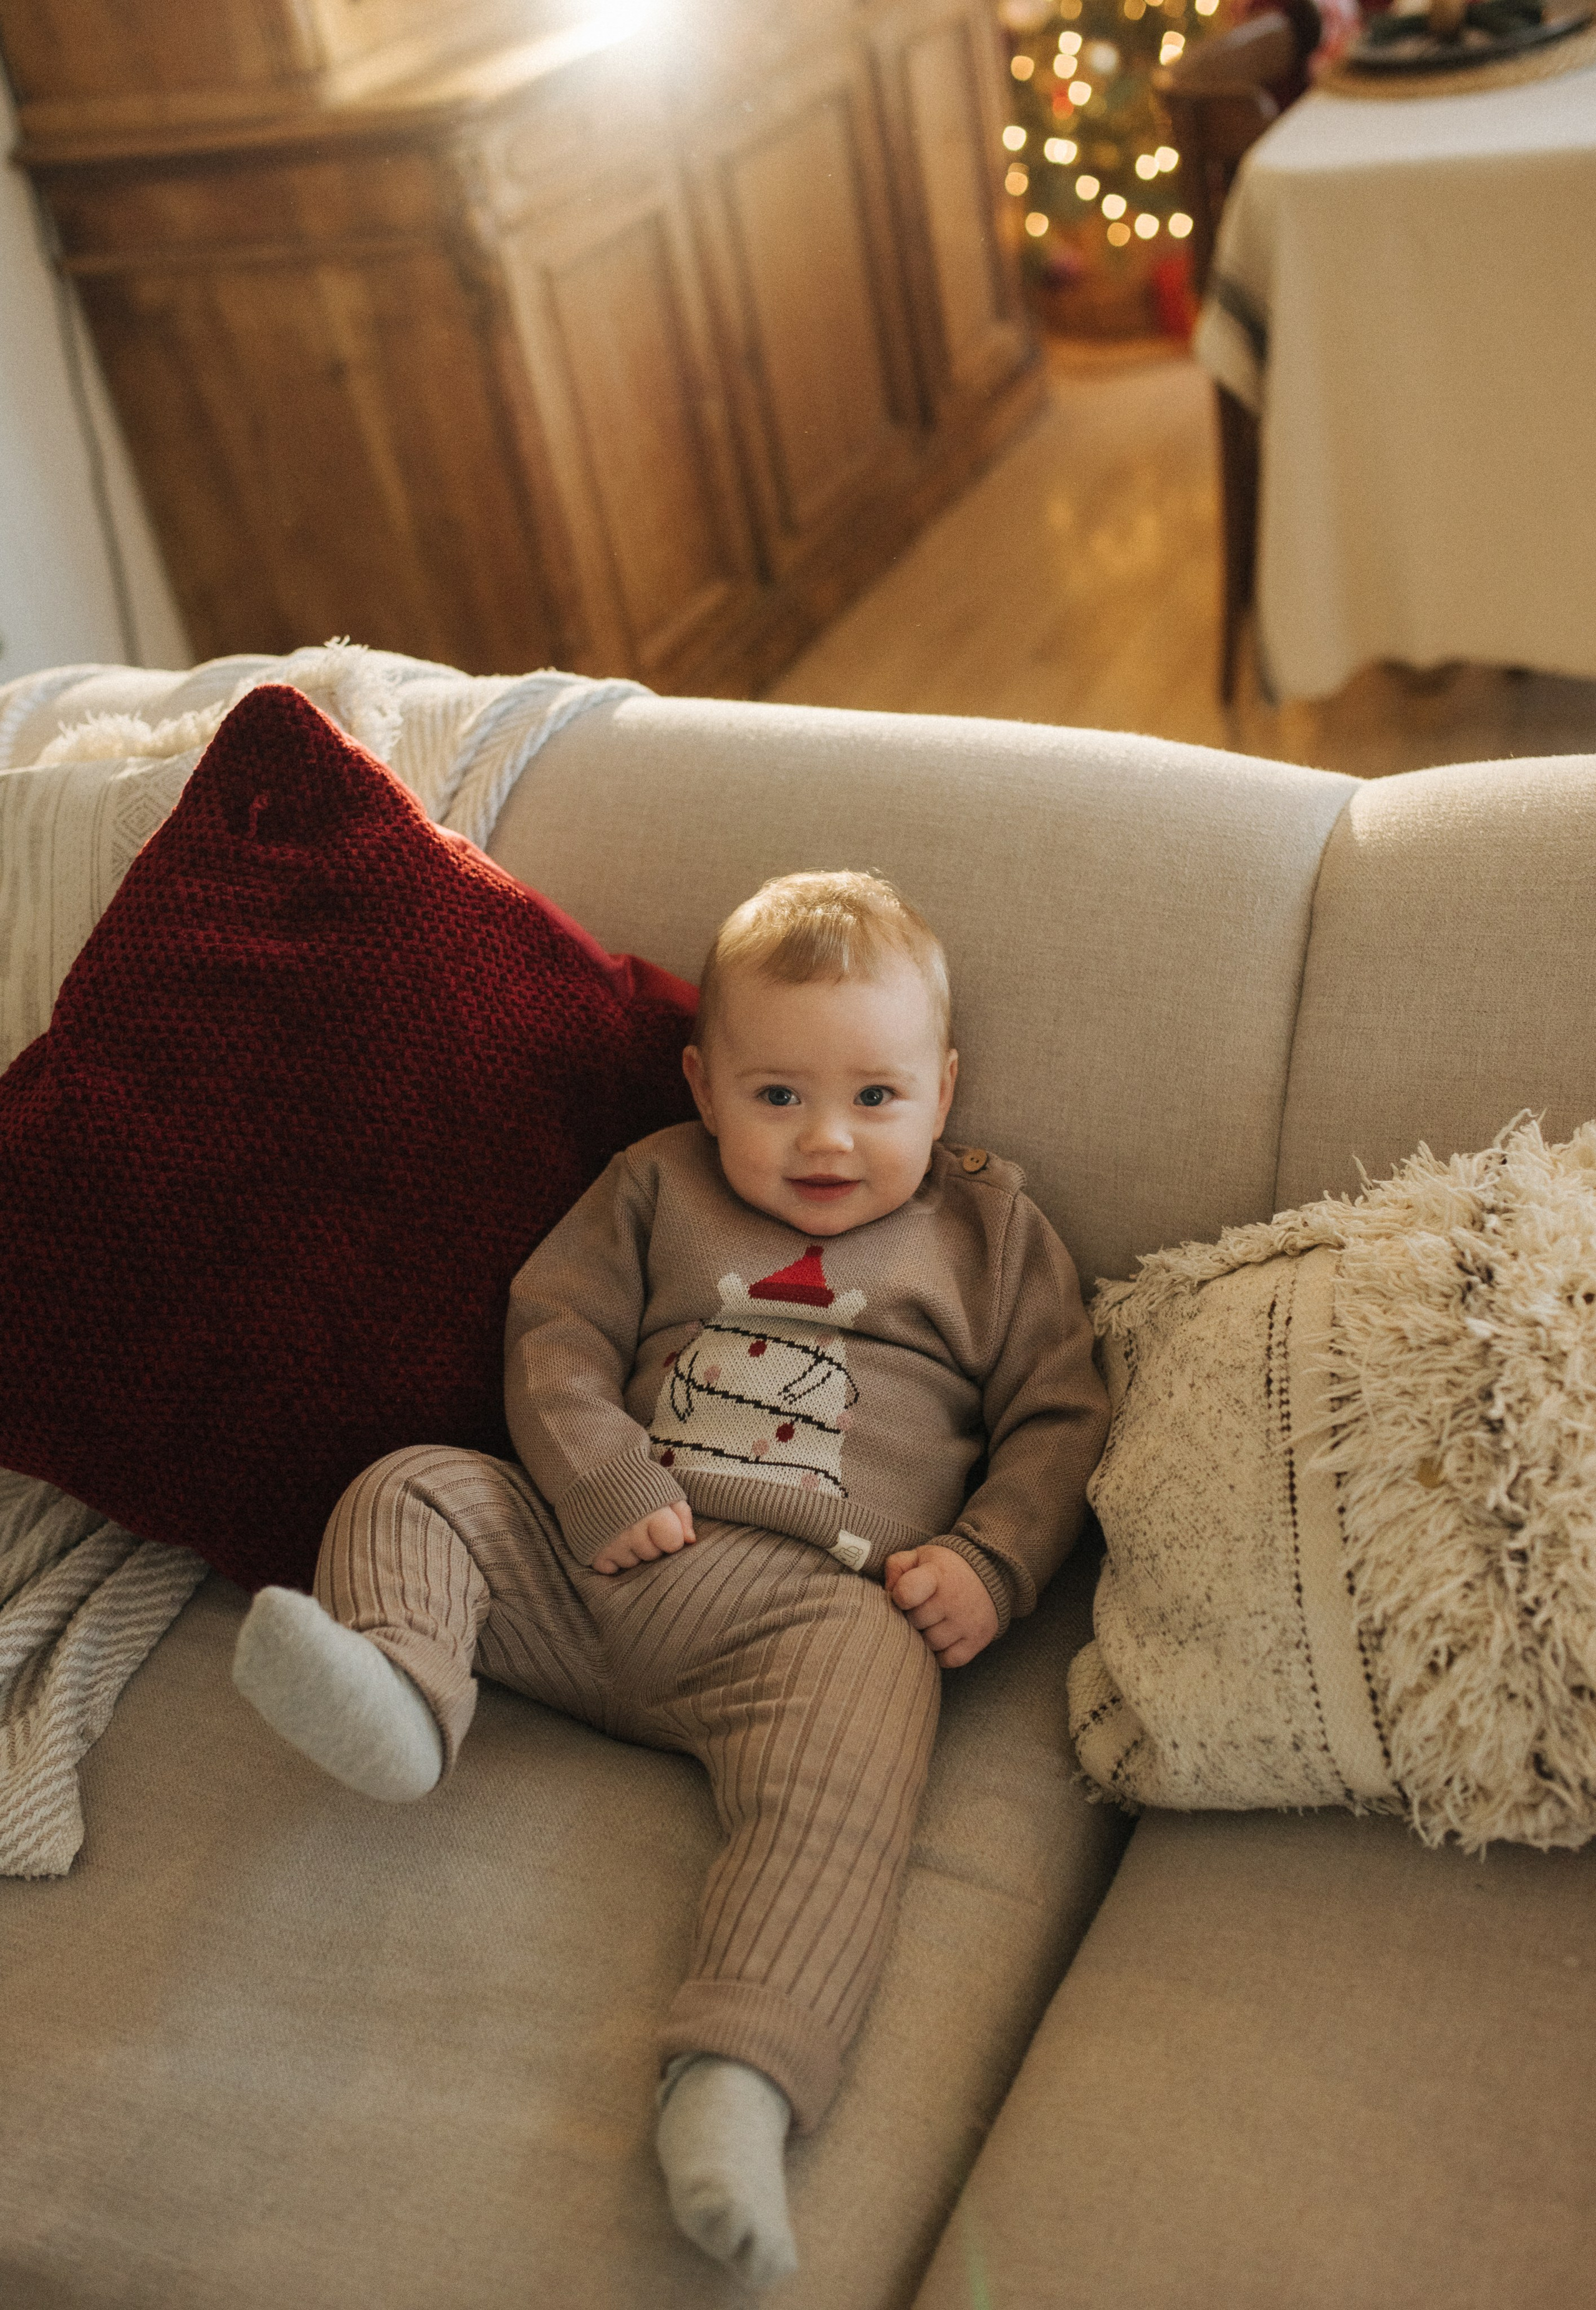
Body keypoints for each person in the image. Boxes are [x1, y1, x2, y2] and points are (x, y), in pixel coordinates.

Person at [232, 869, 1108, 2289]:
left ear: (944, 1090)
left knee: (849, 1786)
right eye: (777, 1096)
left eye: (875, 1098)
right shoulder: (652, 1184)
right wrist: (599, 1478)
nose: (826, 1138)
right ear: (703, 1084)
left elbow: (1061, 1418)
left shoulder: (989, 1236)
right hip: (598, 1557)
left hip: (814, 1614)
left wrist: (990, 1560)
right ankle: (401, 1685)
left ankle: (736, 2079)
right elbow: (555, 1331)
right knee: (413, 1481)